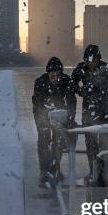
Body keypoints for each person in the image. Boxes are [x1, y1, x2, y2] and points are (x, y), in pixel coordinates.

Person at [72, 44, 108, 177]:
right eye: (88, 61)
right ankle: (93, 171)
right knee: (91, 145)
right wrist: (80, 91)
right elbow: (72, 82)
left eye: (93, 60)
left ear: (99, 59)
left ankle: (105, 173)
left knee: (105, 146)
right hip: (88, 112)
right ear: (85, 60)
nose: (91, 63)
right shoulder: (81, 68)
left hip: (105, 111)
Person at [32, 57, 77, 186]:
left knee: (59, 141)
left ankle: (55, 167)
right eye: (53, 75)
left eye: (58, 74)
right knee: (44, 141)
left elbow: (71, 102)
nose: (55, 77)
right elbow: (37, 104)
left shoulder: (67, 81)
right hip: (44, 114)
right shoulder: (40, 82)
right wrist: (41, 122)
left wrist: (69, 118)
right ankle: (44, 170)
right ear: (48, 73)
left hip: (60, 114)